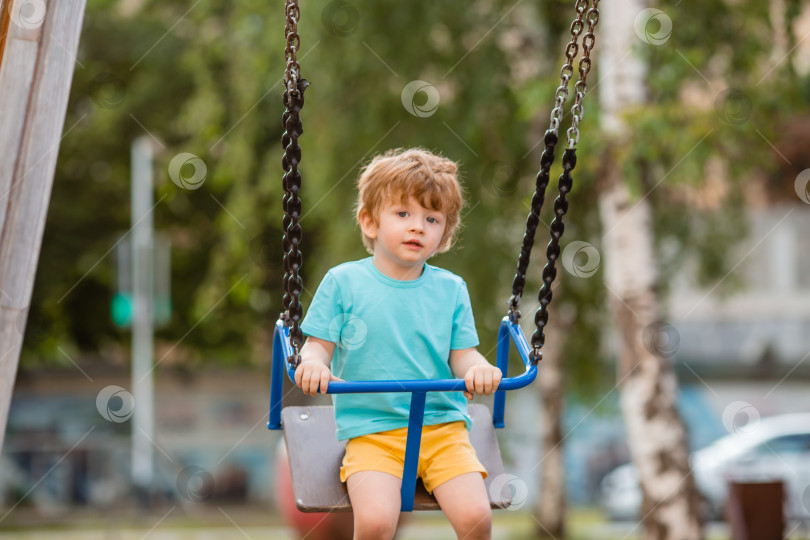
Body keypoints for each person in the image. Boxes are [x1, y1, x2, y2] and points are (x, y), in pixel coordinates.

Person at [294, 148, 502, 540]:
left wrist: (477, 369)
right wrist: (315, 365)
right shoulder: (344, 283)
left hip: (443, 428)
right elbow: (316, 347)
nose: (418, 227)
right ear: (370, 222)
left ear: (445, 235)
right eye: (403, 214)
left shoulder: (451, 289)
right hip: (374, 430)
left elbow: (463, 355)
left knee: (477, 517)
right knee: (374, 523)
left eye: (432, 218)